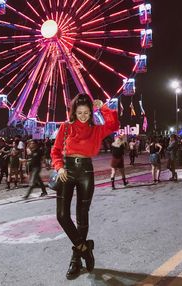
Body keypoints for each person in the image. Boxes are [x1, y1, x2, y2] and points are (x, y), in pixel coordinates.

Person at [51, 93, 119, 279]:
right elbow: (55, 151)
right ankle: (85, 249)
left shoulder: (96, 130)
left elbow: (114, 125)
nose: (83, 116)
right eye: (80, 112)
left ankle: (75, 259)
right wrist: (59, 168)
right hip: (67, 171)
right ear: (74, 112)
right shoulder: (66, 127)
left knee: (82, 216)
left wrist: (103, 107)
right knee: (62, 215)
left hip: (86, 172)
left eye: (87, 113)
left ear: (91, 112)